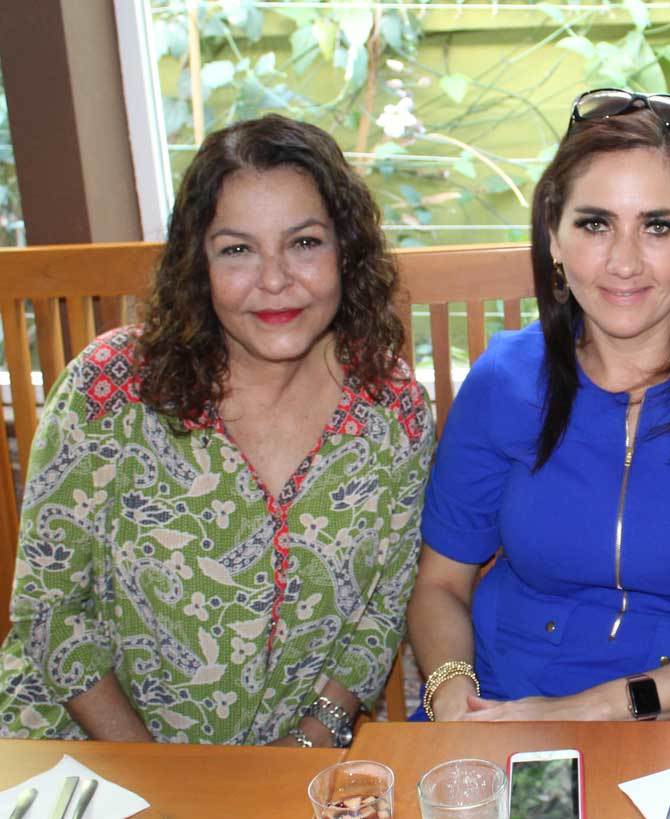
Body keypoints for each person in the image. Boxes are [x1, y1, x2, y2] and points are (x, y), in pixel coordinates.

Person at [0, 114, 435, 745]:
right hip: (78, 756)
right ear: (197, 264)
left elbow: (381, 610)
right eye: (237, 250)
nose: (275, 280)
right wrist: (162, 780)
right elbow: (49, 609)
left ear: (346, 250)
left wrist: (307, 743)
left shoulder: (392, 409)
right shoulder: (110, 387)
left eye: (304, 242)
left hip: (279, 768)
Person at [407, 88, 670, 722]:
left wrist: (590, 710)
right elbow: (440, 585)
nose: (624, 262)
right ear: (554, 234)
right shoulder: (504, 380)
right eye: (595, 224)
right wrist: (451, 690)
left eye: (658, 226)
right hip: (504, 712)